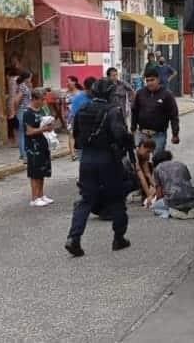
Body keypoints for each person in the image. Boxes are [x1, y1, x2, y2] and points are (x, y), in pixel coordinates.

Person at [65, 78, 134, 257]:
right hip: (108, 159)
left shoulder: (83, 110)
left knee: (85, 199)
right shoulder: (113, 111)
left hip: (86, 159)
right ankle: (119, 238)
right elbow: (119, 135)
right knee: (117, 198)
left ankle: (74, 238)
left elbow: (76, 135)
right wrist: (127, 141)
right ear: (110, 93)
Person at [131, 67, 180, 153]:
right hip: (142, 134)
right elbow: (135, 111)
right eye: (147, 80)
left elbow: (173, 115)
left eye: (152, 80)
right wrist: (133, 129)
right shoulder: (140, 93)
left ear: (158, 79)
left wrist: (175, 134)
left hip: (159, 135)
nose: (150, 83)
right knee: (142, 161)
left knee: (157, 161)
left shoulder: (167, 94)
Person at [24, 88, 54, 207]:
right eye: (42, 99)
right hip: (33, 146)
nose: (43, 102)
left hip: (43, 142)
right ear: (35, 99)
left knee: (42, 170)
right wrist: (44, 129)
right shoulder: (28, 113)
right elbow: (29, 131)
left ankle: (41, 194)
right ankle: (34, 197)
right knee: (35, 171)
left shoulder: (41, 110)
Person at [152, 150, 194, 219]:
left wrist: (157, 201)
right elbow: (188, 182)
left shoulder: (158, 168)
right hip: (191, 200)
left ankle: (169, 213)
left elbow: (159, 193)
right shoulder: (181, 164)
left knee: (155, 207)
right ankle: (191, 211)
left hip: (173, 202)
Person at [70, 76, 97, 162]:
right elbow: (74, 119)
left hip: (96, 137)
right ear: (86, 88)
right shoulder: (77, 99)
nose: (93, 93)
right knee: (84, 163)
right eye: (91, 90)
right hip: (83, 137)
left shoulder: (97, 98)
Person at [15, 71, 32, 162]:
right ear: (27, 78)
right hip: (23, 111)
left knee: (23, 133)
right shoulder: (23, 86)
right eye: (30, 77)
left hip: (23, 111)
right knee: (23, 133)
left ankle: (23, 154)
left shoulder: (23, 86)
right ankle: (24, 155)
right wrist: (17, 108)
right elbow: (17, 99)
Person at [65, 76, 83, 161]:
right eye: (67, 82)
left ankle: (80, 150)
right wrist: (64, 116)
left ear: (74, 82)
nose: (67, 83)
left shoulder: (81, 93)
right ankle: (72, 154)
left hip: (80, 116)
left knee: (80, 134)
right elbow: (63, 106)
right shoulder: (66, 93)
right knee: (71, 134)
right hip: (70, 117)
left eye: (69, 81)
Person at [133, 139, 156, 204]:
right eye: (147, 151)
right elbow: (141, 177)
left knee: (151, 167)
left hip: (137, 171)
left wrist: (155, 186)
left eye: (150, 152)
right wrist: (149, 196)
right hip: (126, 173)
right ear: (142, 147)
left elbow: (148, 174)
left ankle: (146, 195)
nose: (148, 154)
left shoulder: (145, 155)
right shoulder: (133, 154)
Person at [6, 67, 19, 147]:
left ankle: (14, 140)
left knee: (12, 121)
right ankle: (17, 141)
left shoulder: (11, 80)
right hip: (16, 102)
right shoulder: (17, 80)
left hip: (11, 102)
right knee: (16, 121)